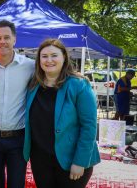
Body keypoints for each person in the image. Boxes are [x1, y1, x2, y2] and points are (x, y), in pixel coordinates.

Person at [23, 38, 101, 188]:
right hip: (41, 160)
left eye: (54, 55)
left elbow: (89, 127)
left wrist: (80, 161)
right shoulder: (33, 85)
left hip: (71, 160)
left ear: (64, 57)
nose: (49, 60)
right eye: (44, 56)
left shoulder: (79, 84)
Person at [0, 20, 35, 188]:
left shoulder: (30, 66)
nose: (2, 41)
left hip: (18, 139)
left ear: (14, 40)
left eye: (6, 37)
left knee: (16, 184)